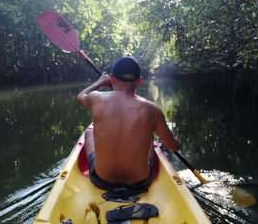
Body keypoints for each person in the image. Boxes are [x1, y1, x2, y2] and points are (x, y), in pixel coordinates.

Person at [76, 56, 180, 191]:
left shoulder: (96, 98)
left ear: (112, 79)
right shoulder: (151, 109)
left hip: (102, 180)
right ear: (139, 81)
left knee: (89, 132)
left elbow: (80, 97)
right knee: (150, 136)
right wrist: (175, 139)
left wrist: (99, 82)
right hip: (140, 182)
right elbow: (173, 146)